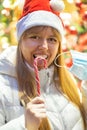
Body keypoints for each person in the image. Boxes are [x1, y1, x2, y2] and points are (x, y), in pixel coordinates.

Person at [0, 0, 86, 130]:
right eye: (35, 37)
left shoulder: (66, 81)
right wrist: (24, 125)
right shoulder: (3, 86)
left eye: (52, 39)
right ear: (20, 40)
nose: (44, 46)